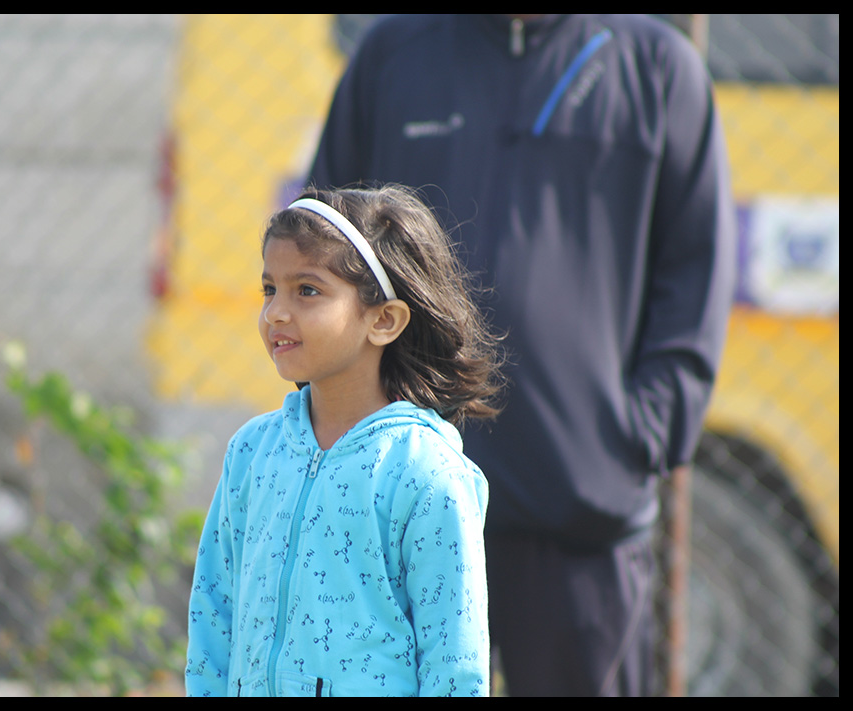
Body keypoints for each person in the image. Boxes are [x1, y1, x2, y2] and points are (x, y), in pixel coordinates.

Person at [307, 14, 736, 696]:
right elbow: (322, 254)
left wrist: (638, 436)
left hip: (579, 513)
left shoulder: (657, 70)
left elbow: (695, 270)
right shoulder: (394, 54)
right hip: (400, 505)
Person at [184, 185, 505, 697]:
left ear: (383, 320)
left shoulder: (426, 473)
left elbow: (455, 664)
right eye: (270, 289)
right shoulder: (252, 453)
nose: (276, 314)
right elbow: (213, 617)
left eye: (306, 290)